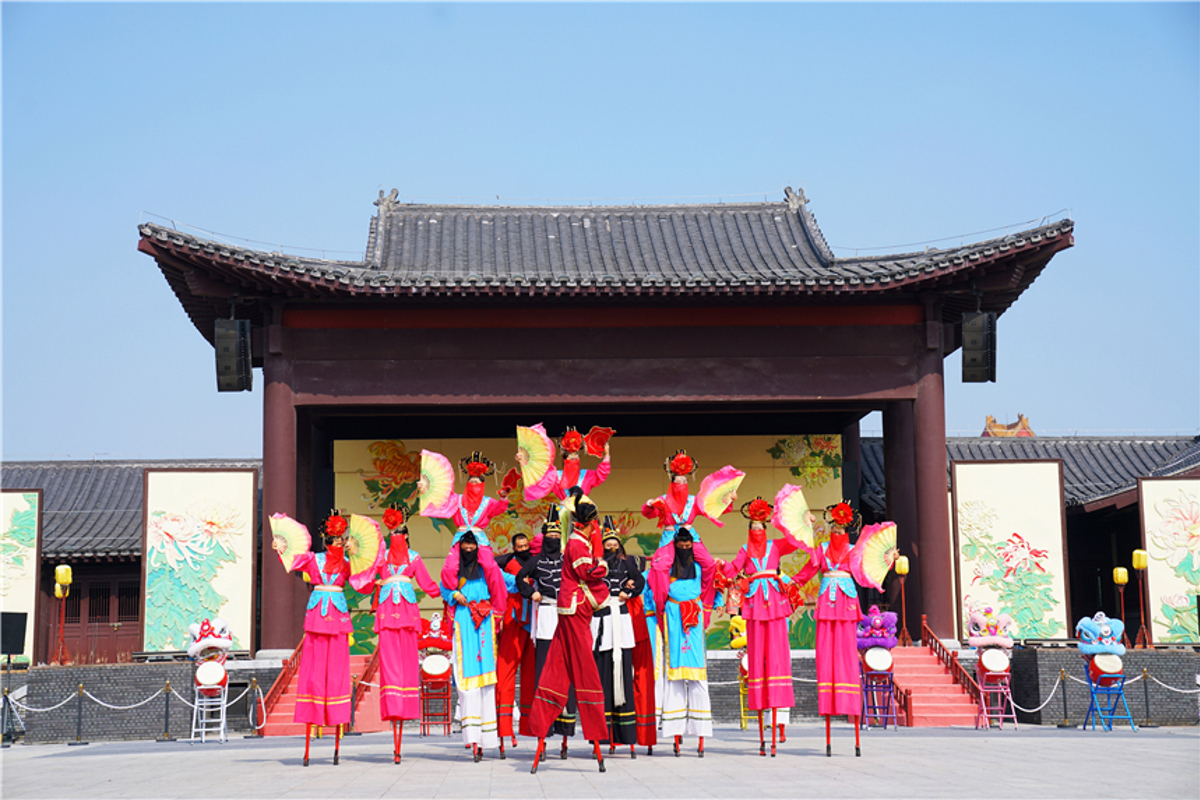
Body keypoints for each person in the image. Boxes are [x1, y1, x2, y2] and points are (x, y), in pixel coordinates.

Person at [527, 488, 612, 774]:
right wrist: (603, 564)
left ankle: (541, 729)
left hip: (570, 609)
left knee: (557, 669)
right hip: (575, 610)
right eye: (595, 525)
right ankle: (595, 733)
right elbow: (588, 572)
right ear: (589, 524)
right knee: (585, 670)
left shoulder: (578, 542)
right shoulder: (577, 544)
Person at [275, 512, 366, 767]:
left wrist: (358, 557)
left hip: (337, 618)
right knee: (313, 674)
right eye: (335, 539)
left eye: (342, 539)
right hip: (317, 618)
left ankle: (337, 726)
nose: (339, 543)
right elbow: (292, 559)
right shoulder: (313, 559)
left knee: (337, 674)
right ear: (327, 540)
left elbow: (364, 580)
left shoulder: (348, 563)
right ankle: (310, 722)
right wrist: (280, 548)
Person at [719, 497, 804, 756]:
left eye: (760, 526)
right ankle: (763, 729)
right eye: (753, 526)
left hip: (775, 602)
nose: (757, 530)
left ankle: (780, 725)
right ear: (749, 529)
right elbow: (732, 570)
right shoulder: (745, 549)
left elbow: (795, 541)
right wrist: (718, 565)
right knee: (758, 660)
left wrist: (801, 522)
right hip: (755, 603)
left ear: (766, 527)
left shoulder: (775, 545)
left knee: (778, 659)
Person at [792, 501, 865, 757]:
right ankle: (828, 702)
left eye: (840, 530)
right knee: (825, 654)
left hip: (845, 603)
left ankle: (849, 704)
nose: (836, 533)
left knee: (847, 655)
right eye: (833, 529)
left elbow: (866, 574)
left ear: (847, 530)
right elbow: (806, 572)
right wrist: (787, 582)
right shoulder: (821, 550)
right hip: (826, 603)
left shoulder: (855, 551)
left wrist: (888, 561)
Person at [368, 508, 441, 764]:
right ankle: (392, 707)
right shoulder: (381, 558)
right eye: (392, 531)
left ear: (407, 535)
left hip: (408, 614)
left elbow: (428, 584)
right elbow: (365, 580)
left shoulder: (414, 557)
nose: (396, 535)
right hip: (387, 612)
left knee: (408, 662)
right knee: (389, 663)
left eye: (400, 531)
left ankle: (406, 707)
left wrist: (449, 590)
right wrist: (374, 582)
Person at [648, 525, 722, 757]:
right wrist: (671, 534)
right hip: (672, 616)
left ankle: (701, 733)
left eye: (688, 546)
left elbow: (711, 566)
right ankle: (675, 731)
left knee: (698, 676)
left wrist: (693, 532)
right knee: (674, 676)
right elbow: (658, 566)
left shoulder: (700, 567)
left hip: (694, 617)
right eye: (680, 546)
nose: (684, 549)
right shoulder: (666, 568)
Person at [440, 527, 508, 762]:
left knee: (487, 679)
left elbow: (502, 584)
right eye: (465, 544)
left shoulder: (488, 570)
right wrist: (453, 595)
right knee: (466, 678)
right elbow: (445, 583)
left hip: (485, 620)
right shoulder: (454, 571)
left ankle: (487, 737)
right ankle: (472, 737)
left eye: (473, 544)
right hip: (463, 620)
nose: (469, 548)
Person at [515, 507, 578, 753]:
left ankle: (565, 731)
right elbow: (520, 578)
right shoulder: (536, 561)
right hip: (546, 615)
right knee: (543, 670)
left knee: (567, 668)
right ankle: (543, 729)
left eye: (556, 536)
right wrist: (531, 593)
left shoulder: (567, 559)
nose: (553, 539)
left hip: (566, 615)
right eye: (549, 536)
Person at [592, 517, 645, 755]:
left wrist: (627, 591)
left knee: (623, 671)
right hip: (601, 619)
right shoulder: (595, 565)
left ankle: (625, 733)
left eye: (615, 544)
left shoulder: (627, 565)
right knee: (601, 673)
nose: (612, 548)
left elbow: (640, 581)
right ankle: (601, 733)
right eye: (608, 544)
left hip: (620, 619)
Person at [495, 532, 537, 748]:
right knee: (505, 675)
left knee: (531, 676)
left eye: (525, 545)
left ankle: (530, 726)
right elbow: (492, 571)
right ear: (514, 547)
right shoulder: (505, 565)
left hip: (534, 624)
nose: (523, 549)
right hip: (512, 620)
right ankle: (504, 729)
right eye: (519, 546)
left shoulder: (537, 561)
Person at [420, 451, 515, 530]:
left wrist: (503, 497)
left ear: (482, 485)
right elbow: (442, 498)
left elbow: (499, 508)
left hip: (479, 537)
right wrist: (426, 487)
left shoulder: (488, 502)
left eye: (476, 483)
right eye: (471, 483)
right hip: (461, 535)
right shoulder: (457, 499)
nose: (474, 486)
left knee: (485, 549)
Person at [519, 427, 612, 501]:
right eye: (571, 456)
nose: (574, 459)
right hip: (563, 512)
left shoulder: (586, 475)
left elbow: (601, 474)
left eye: (576, 456)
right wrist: (524, 462)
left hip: (582, 513)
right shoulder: (555, 477)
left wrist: (607, 455)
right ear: (564, 458)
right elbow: (538, 478)